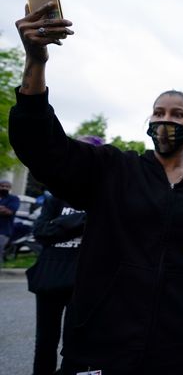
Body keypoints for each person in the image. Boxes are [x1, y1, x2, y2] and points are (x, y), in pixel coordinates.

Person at [11, 2, 183, 374]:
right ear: (148, 121)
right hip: (100, 349)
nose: (165, 121)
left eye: (177, 115)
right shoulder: (113, 169)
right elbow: (42, 146)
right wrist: (35, 62)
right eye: (158, 113)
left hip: (180, 353)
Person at [26, 136, 101, 375]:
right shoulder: (55, 195)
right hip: (50, 278)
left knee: (76, 345)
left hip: (83, 280)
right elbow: (40, 232)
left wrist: (60, 226)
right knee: (45, 341)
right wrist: (80, 219)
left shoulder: (101, 194)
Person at [0, 179, 20, 258]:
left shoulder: (13, 199)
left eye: (7, 187)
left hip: (3, 231)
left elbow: (9, 212)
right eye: (2, 186)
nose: (4, 188)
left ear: (10, 188)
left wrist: (5, 209)